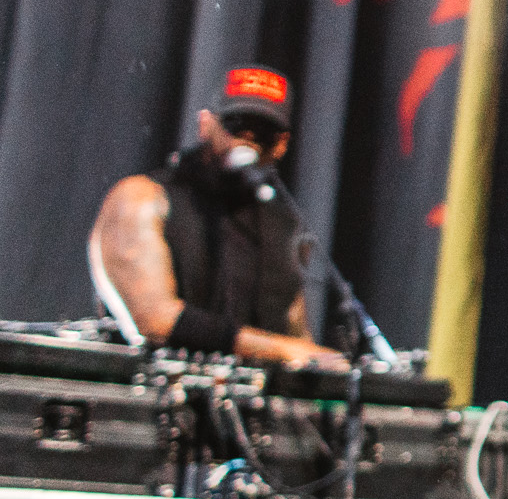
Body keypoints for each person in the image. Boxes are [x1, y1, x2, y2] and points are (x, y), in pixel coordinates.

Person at [88, 65, 343, 366]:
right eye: (236, 124)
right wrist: (280, 349)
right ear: (205, 123)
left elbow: (297, 339)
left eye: (262, 132)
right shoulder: (144, 197)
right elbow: (154, 319)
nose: (246, 139)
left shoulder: (284, 225)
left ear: (281, 144)